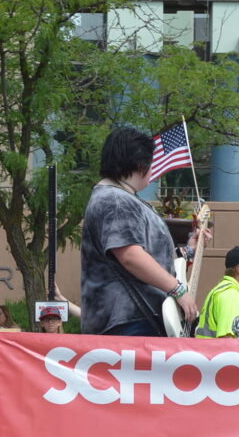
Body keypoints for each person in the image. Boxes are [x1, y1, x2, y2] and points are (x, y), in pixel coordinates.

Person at [79, 126, 198, 336]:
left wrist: (188, 250)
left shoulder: (121, 197)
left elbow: (147, 256)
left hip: (136, 318)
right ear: (139, 164)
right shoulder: (115, 200)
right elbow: (131, 256)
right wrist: (178, 289)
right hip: (128, 321)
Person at [196, 245, 239, 337]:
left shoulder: (225, 290)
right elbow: (228, 340)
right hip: (217, 350)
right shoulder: (232, 296)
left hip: (209, 350)